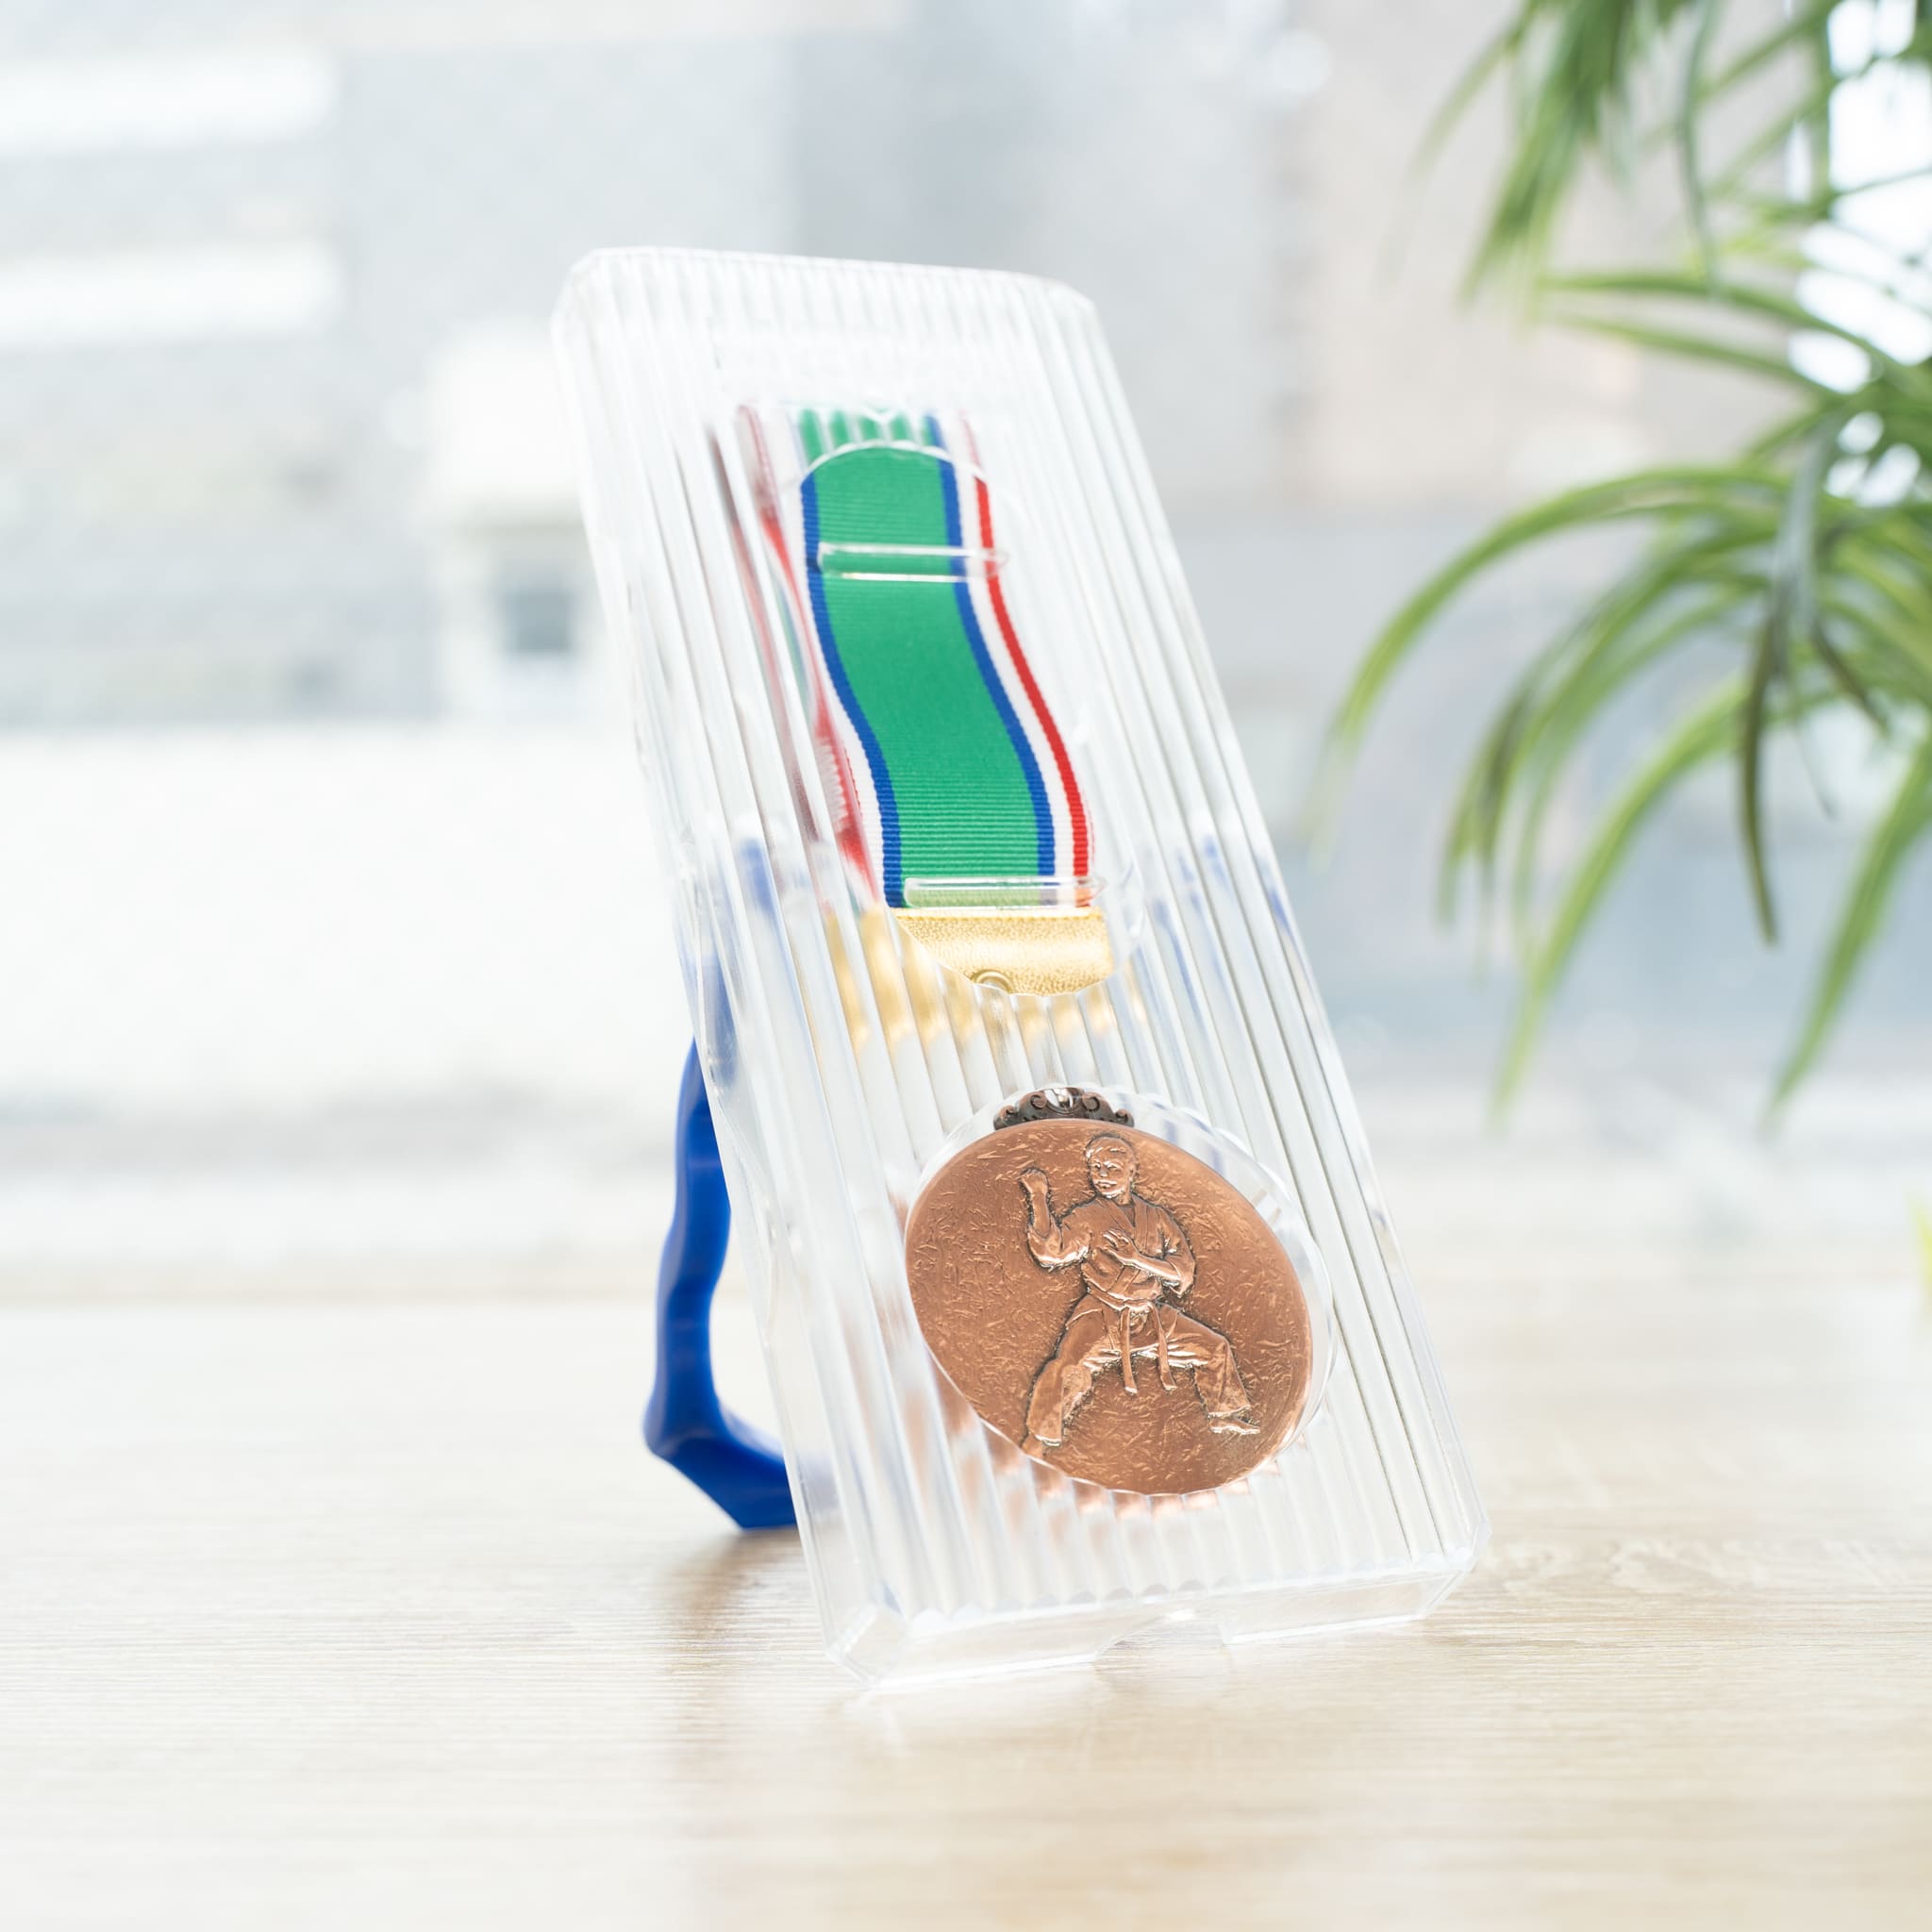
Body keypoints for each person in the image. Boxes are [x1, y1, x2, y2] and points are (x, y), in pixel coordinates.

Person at [1018, 1133, 1256, 1454]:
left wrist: (1138, 1259)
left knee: (1214, 1348)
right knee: (1066, 1368)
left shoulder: (1157, 1218)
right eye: (1096, 1168)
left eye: (1112, 1168)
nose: (1102, 1175)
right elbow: (1052, 1252)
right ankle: (1037, 1440)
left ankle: (1223, 1416)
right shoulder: (1087, 1217)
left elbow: (1183, 1270)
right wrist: (1038, 1197)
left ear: (1132, 1171)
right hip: (1103, 1314)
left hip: (1150, 1315)